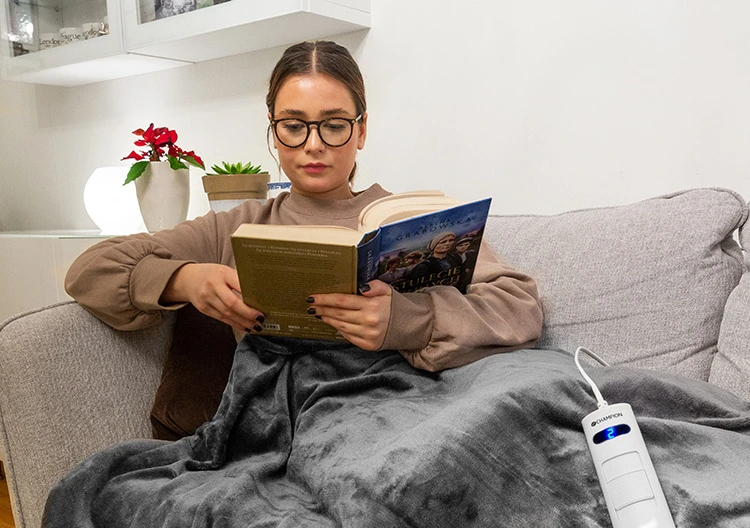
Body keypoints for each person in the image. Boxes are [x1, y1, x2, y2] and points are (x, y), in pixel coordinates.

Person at [65, 40, 543, 373]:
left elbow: (520, 308)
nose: (313, 145)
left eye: (333, 125)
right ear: (274, 131)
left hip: (407, 407)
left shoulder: (407, 221)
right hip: (291, 417)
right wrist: (186, 279)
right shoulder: (238, 226)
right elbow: (89, 271)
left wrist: (406, 320)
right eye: (294, 126)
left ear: (361, 130)